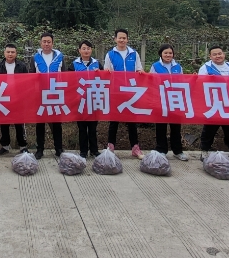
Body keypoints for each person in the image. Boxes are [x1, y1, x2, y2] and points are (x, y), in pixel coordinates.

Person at [104, 29, 146, 158]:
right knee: (114, 120)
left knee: (132, 121)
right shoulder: (110, 54)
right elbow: (106, 71)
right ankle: (110, 147)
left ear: (127, 39)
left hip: (131, 91)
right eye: (120, 38)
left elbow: (139, 69)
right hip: (116, 91)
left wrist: (141, 72)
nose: (122, 40)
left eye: (124, 38)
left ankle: (135, 148)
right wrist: (106, 72)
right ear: (115, 39)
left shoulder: (134, 53)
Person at [198, 46, 229, 162]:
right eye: (215, 54)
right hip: (214, 103)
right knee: (210, 128)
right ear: (210, 56)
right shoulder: (206, 67)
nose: (218, 56)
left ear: (224, 54)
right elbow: (200, 83)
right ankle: (204, 150)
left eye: (220, 53)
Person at [149, 44, 189, 161]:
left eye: (170, 53)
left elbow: (182, 82)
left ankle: (178, 151)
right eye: (165, 53)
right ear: (161, 54)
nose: (168, 55)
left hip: (175, 100)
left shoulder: (178, 67)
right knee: (161, 126)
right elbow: (151, 82)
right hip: (160, 100)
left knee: (176, 127)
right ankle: (161, 150)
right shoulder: (155, 66)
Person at [0, 44, 29, 156]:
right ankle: (5, 146)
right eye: (8, 52)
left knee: (19, 123)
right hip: (3, 98)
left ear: (16, 53)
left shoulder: (21, 66)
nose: (10, 54)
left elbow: (26, 82)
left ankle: (22, 146)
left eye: (12, 52)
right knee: (4, 123)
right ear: (4, 53)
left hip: (18, 98)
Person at [32, 32, 64, 159]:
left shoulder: (59, 57)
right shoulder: (35, 57)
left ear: (52, 43)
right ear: (41, 43)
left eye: (49, 42)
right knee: (40, 122)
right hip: (40, 94)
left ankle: (59, 148)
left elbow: (65, 75)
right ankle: (40, 149)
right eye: (44, 41)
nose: (46, 44)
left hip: (56, 93)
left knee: (57, 122)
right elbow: (31, 76)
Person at [73, 41, 100, 158]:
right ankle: (83, 151)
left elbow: (105, 78)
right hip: (80, 100)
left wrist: (100, 73)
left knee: (93, 127)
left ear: (91, 50)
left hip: (94, 99)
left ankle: (94, 150)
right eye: (83, 48)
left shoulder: (97, 64)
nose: (86, 51)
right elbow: (69, 81)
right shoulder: (74, 64)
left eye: (88, 48)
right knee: (82, 128)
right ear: (79, 50)